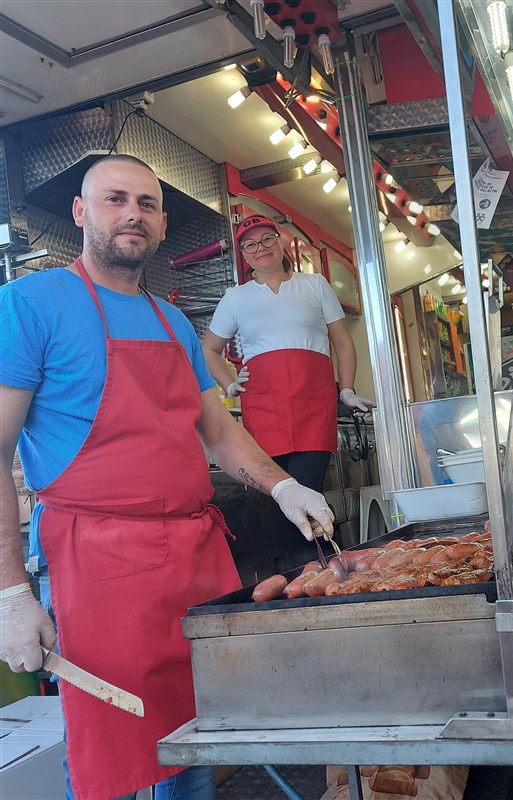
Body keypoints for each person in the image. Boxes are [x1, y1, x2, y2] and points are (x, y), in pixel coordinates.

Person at [0, 155, 335, 800]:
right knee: (112, 758)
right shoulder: (32, 303)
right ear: (80, 212)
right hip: (97, 567)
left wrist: (283, 486)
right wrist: (12, 593)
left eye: (148, 204)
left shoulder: (172, 321)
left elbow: (216, 431)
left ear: (160, 222)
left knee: (196, 736)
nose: (133, 214)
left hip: (191, 561)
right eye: (115, 199)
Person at [202, 215, 374, 565]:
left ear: (281, 243)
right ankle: (306, 576)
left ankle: (323, 568)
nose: (260, 248)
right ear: (244, 256)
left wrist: (347, 389)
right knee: (275, 495)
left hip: (314, 402)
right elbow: (208, 349)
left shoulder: (315, 284)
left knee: (308, 489)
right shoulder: (236, 297)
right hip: (264, 407)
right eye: (250, 245)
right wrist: (230, 383)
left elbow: (341, 340)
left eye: (266, 239)